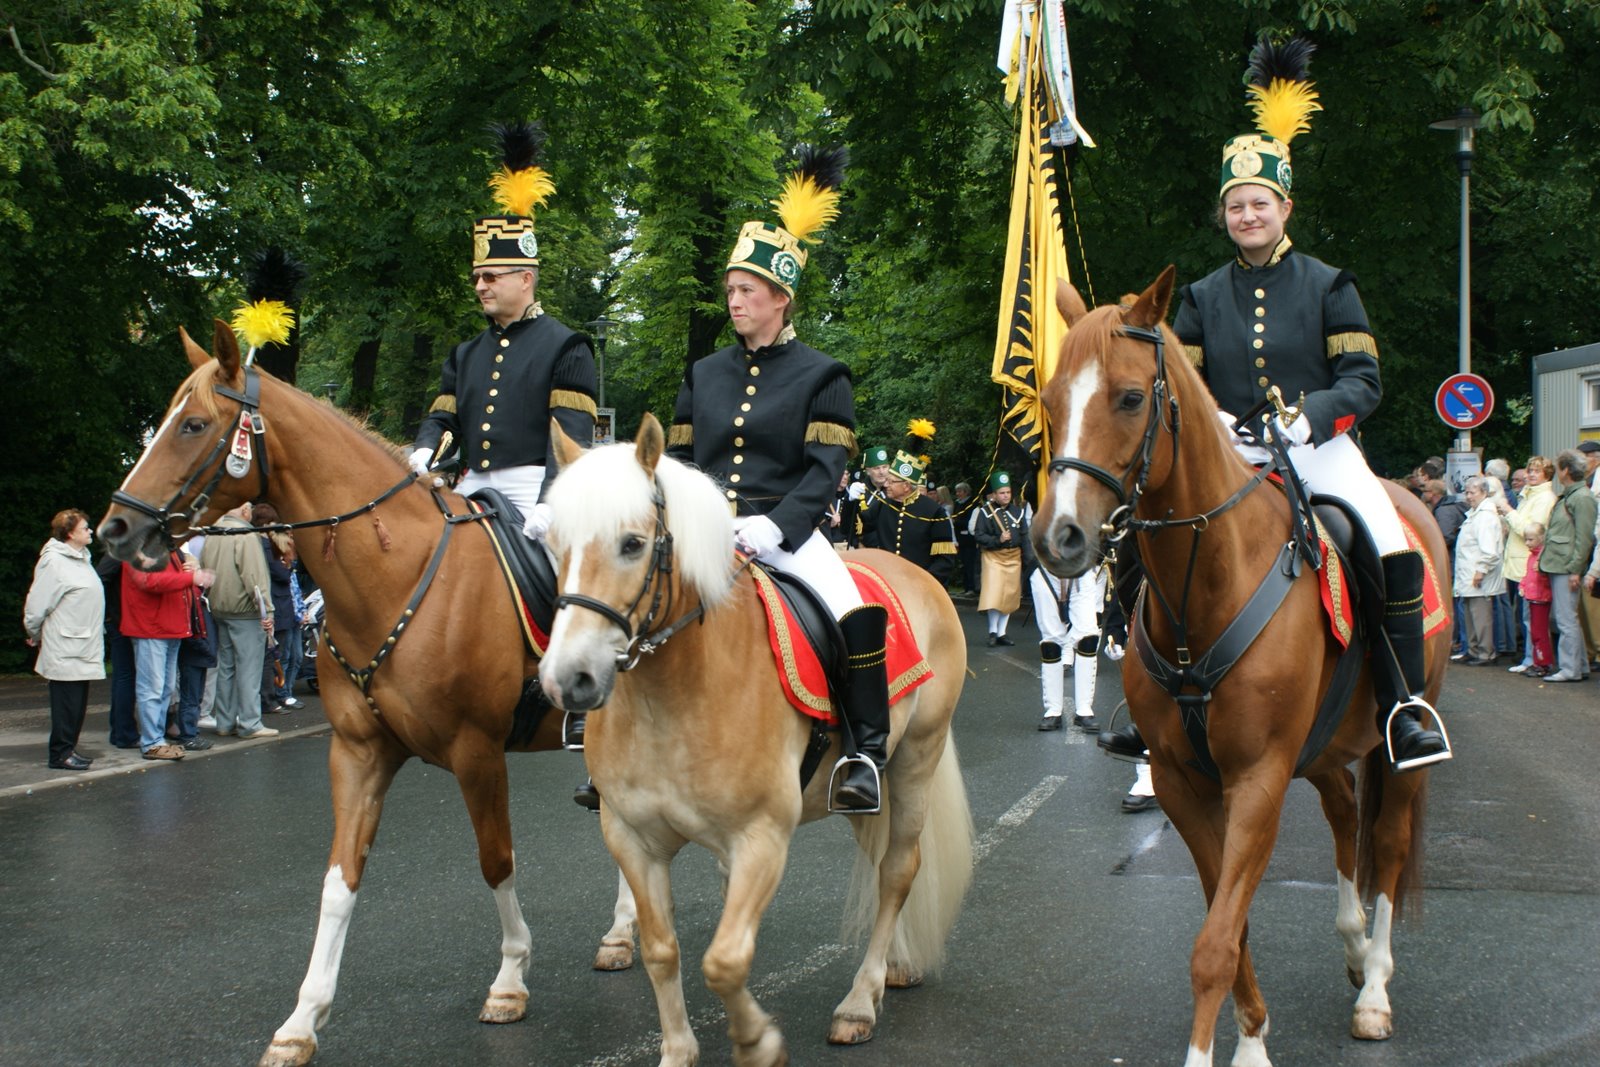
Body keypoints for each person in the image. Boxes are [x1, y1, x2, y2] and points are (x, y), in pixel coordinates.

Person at [1163, 34, 1449, 771]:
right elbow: (1186, 385)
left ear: (1285, 205)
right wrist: (1213, 423)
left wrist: (1309, 417)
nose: (1247, 215)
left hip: (1320, 450)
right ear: (1223, 213)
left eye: (1259, 203)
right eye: (1235, 205)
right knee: (1153, 534)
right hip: (1231, 453)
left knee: (1386, 541)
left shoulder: (1329, 284)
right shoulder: (1199, 296)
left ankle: (1404, 706)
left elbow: (1363, 381)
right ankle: (1149, 702)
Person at [667, 147, 890, 813]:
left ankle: (865, 753)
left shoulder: (824, 375)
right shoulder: (704, 373)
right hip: (706, 529)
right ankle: (613, 747)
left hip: (787, 534)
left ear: (781, 298)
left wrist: (775, 526)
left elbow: (825, 474)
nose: (733, 301)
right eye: (730, 290)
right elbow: (678, 461)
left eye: (747, 291)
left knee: (849, 611)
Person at [409, 121, 598, 536]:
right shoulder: (465, 354)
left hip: (535, 488)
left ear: (526, 279)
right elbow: (443, 420)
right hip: (471, 483)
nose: (480, 286)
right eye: (478, 277)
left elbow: (570, 439)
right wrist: (424, 449)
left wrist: (550, 502)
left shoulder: (567, 346)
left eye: (491, 277)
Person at [23, 510, 105, 770]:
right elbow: (36, 606)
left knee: (77, 704)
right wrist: (35, 634)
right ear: (69, 533)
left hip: (82, 643)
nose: (90, 531)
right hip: (65, 644)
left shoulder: (81, 558)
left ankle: (69, 749)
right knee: (66, 704)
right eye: (85, 528)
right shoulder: (54, 562)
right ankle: (60, 754)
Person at [121, 544, 210, 760]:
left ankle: (156, 739)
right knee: (153, 688)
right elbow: (150, 581)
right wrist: (190, 577)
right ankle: (152, 742)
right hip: (152, 628)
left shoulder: (166, 548)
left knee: (164, 688)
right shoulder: (138, 547)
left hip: (168, 627)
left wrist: (190, 569)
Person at [200, 501, 280, 739]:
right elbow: (254, 576)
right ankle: (250, 723)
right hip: (246, 611)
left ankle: (225, 722)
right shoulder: (245, 534)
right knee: (249, 669)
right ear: (245, 511)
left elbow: (204, 567)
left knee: (226, 667)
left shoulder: (213, 533)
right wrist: (267, 610)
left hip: (219, 609)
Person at [1538, 449, 1598, 682]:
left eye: (1559, 468)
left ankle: (1569, 669)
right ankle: (1578, 666)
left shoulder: (1581, 498)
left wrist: (1575, 569)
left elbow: (1585, 538)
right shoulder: (1575, 495)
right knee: (1568, 618)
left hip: (1566, 566)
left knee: (1565, 619)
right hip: (1561, 564)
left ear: (1565, 470)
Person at [1496, 456, 1556, 674]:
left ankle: (1534, 659)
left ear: (1547, 475)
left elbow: (1530, 530)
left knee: (1531, 618)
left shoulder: (1544, 498)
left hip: (1528, 563)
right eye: (1530, 470)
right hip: (1520, 561)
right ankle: (1530, 657)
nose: (1531, 474)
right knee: (1525, 615)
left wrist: (1509, 511)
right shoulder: (1528, 495)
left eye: (1536, 471)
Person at [858, 448, 956, 582]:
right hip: (888, 582)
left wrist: (923, 581)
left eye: (891, 481)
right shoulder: (882, 506)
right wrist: (851, 502)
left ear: (906, 486)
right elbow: (852, 528)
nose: (886, 484)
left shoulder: (934, 511)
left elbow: (944, 559)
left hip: (920, 584)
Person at [1030, 566, 1105, 734]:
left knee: (1088, 637)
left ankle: (1084, 709)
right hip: (1045, 567)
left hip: (1081, 567)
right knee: (1051, 643)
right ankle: (1053, 710)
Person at [973, 472, 1029, 646]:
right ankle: (992, 631)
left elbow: (1025, 536)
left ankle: (1002, 633)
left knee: (1009, 596)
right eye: (1002, 493)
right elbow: (979, 535)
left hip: (1014, 558)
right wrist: (998, 540)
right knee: (994, 594)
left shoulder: (1018, 512)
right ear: (994, 495)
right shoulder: (985, 512)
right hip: (993, 557)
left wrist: (1029, 560)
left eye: (1008, 492)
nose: (1006, 496)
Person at [1453, 476, 1505, 666]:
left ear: (1484, 492)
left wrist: (1481, 571)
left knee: (1481, 617)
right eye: (1466, 492)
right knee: (1470, 615)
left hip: (1477, 575)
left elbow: (1489, 550)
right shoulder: (1475, 514)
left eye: (1472, 492)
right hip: (1469, 574)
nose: (1468, 496)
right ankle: (1473, 650)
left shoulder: (1485, 516)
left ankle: (1485, 653)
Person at [94, 549, 138, 749]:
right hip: (121, 622)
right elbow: (98, 581)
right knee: (126, 677)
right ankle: (124, 733)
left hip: (121, 620)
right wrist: (111, 615)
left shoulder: (120, 551)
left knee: (125, 677)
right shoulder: (120, 552)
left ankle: (121, 731)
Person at [1518, 523, 1555, 678]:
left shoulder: (1542, 557)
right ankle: (1538, 661)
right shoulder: (1532, 556)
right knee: (1535, 632)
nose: (1527, 543)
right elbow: (1528, 575)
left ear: (1541, 538)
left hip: (1541, 598)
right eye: (1526, 539)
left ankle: (1543, 663)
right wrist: (1522, 586)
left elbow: (1545, 579)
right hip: (1533, 597)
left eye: (1530, 539)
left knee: (1539, 633)